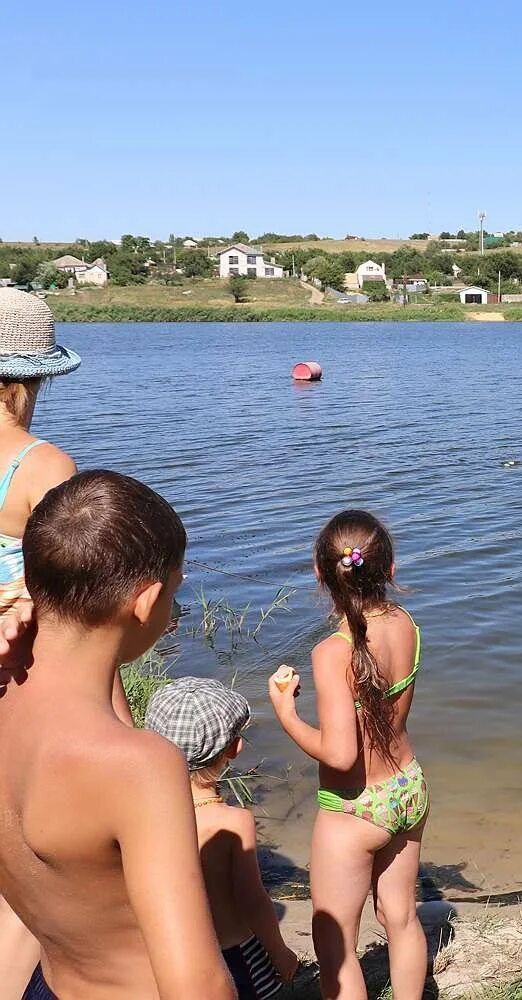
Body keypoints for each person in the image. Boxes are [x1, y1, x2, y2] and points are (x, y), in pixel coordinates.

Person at [0, 470, 235, 999]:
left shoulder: (6, 695)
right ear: (147, 602)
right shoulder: (136, 766)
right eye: (174, 592)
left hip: (52, 985)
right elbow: (196, 984)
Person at [0, 288, 132, 996]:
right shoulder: (43, 466)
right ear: (23, 384)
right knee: (28, 890)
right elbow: (80, 606)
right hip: (24, 674)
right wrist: (118, 721)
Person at [269, 510, 428, 1000]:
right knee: (400, 916)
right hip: (409, 788)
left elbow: (340, 755)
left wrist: (286, 714)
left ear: (320, 574)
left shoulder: (333, 652)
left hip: (355, 810)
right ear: (391, 569)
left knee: (335, 942)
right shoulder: (405, 623)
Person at [145, 677, 300, 998]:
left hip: (174, 958)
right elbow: (253, 900)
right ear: (234, 748)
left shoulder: (144, 817)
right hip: (237, 955)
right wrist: (280, 952)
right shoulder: (233, 821)